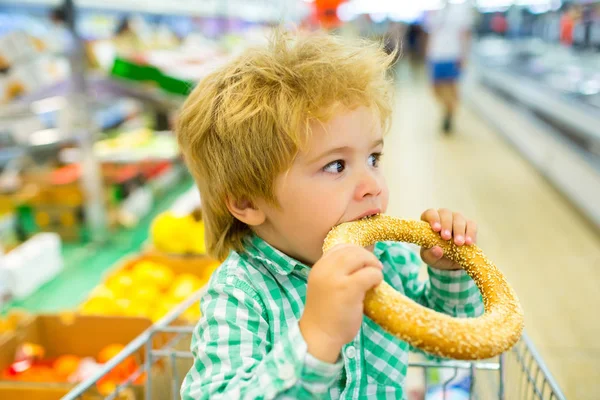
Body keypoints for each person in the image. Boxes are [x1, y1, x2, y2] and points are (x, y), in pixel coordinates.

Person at [177, 31, 484, 399]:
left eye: (374, 158)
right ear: (248, 203)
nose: (372, 184)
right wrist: (316, 337)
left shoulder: (385, 257)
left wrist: (448, 273)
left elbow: (449, 341)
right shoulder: (242, 295)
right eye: (336, 165)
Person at [425, 2, 473, 134]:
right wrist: (428, 55)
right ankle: (447, 109)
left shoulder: (461, 10)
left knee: (452, 89)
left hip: (453, 55)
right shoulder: (434, 11)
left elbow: (465, 35)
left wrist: (464, 56)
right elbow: (431, 35)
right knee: (435, 89)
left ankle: (449, 115)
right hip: (436, 55)